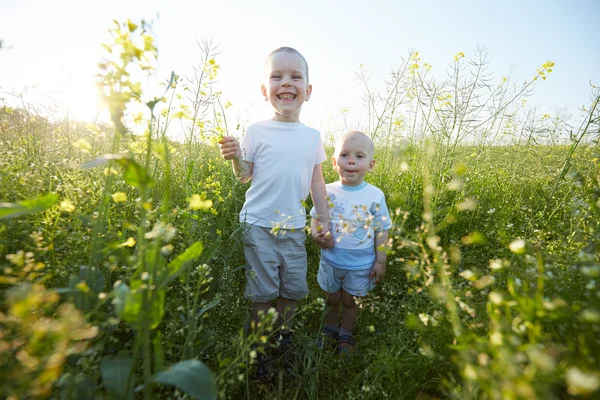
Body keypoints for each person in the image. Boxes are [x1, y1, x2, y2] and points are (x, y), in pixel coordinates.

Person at [218, 47, 333, 376]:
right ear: (264, 91)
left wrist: (321, 219)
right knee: (263, 290)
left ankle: (285, 339)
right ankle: (258, 346)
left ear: (307, 91)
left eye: (296, 77)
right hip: (258, 225)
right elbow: (244, 174)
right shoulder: (256, 131)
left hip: (294, 227)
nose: (287, 82)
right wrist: (235, 156)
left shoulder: (312, 137)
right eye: (277, 76)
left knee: (292, 288)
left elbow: (317, 181)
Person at [310, 130, 392, 354]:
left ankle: (345, 334)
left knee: (350, 301)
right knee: (331, 298)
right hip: (331, 260)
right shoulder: (326, 191)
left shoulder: (375, 195)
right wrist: (315, 235)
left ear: (371, 164)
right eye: (345, 155)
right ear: (335, 162)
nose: (352, 161)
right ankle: (328, 330)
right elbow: (316, 217)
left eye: (359, 156)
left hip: (361, 265)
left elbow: (382, 230)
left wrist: (381, 261)